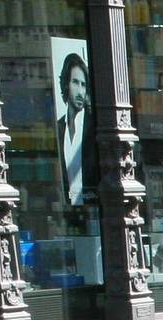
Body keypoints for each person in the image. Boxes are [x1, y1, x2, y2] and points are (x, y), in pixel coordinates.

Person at [56, 51, 95, 206]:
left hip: (92, 205)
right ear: (66, 84)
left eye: (83, 85)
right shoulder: (59, 127)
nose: (80, 92)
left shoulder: (92, 124)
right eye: (75, 82)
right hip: (70, 207)